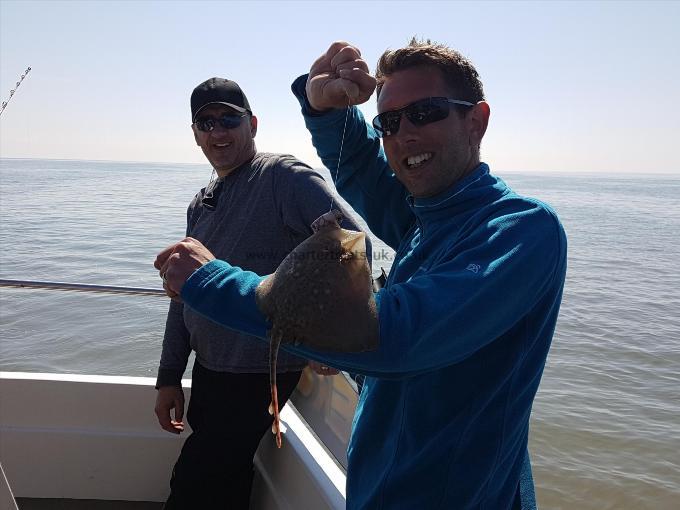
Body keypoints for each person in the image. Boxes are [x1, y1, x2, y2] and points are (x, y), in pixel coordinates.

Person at [156, 40, 567, 510]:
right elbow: (362, 168)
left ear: (476, 119)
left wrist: (213, 282)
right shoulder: (424, 219)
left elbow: (398, 334)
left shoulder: (521, 230)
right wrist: (326, 111)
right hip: (377, 490)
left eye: (426, 112)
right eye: (388, 122)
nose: (403, 134)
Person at [155, 76, 357, 509]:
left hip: (257, 373)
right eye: (206, 123)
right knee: (222, 477)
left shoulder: (283, 177)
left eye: (230, 118)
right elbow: (183, 293)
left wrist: (327, 329)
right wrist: (170, 375)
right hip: (210, 369)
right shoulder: (201, 201)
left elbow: (350, 244)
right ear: (194, 135)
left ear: (253, 124)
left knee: (194, 483)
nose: (218, 131)